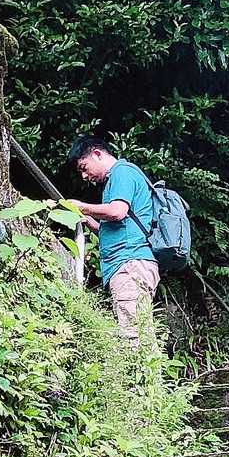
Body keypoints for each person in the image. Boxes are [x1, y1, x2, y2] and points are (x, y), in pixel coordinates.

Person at [64, 137, 159, 340]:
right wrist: (90, 222)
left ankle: (138, 372)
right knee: (137, 328)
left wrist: (81, 206)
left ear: (97, 154)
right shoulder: (116, 180)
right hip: (131, 262)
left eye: (84, 167)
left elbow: (117, 212)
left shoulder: (122, 173)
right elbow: (117, 229)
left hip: (129, 263)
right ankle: (145, 371)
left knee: (133, 333)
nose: (84, 176)